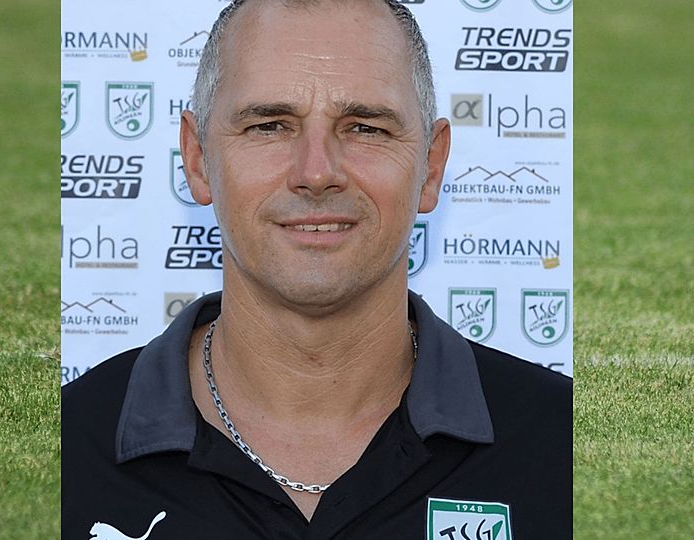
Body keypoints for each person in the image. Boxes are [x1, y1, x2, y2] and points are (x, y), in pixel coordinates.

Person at [62, 0, 571, 538]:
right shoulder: (68, 441)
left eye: (365, 128)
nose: (317, 171)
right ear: (197, 159)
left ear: (431, 167)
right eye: (269, 126)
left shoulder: (560, 440)